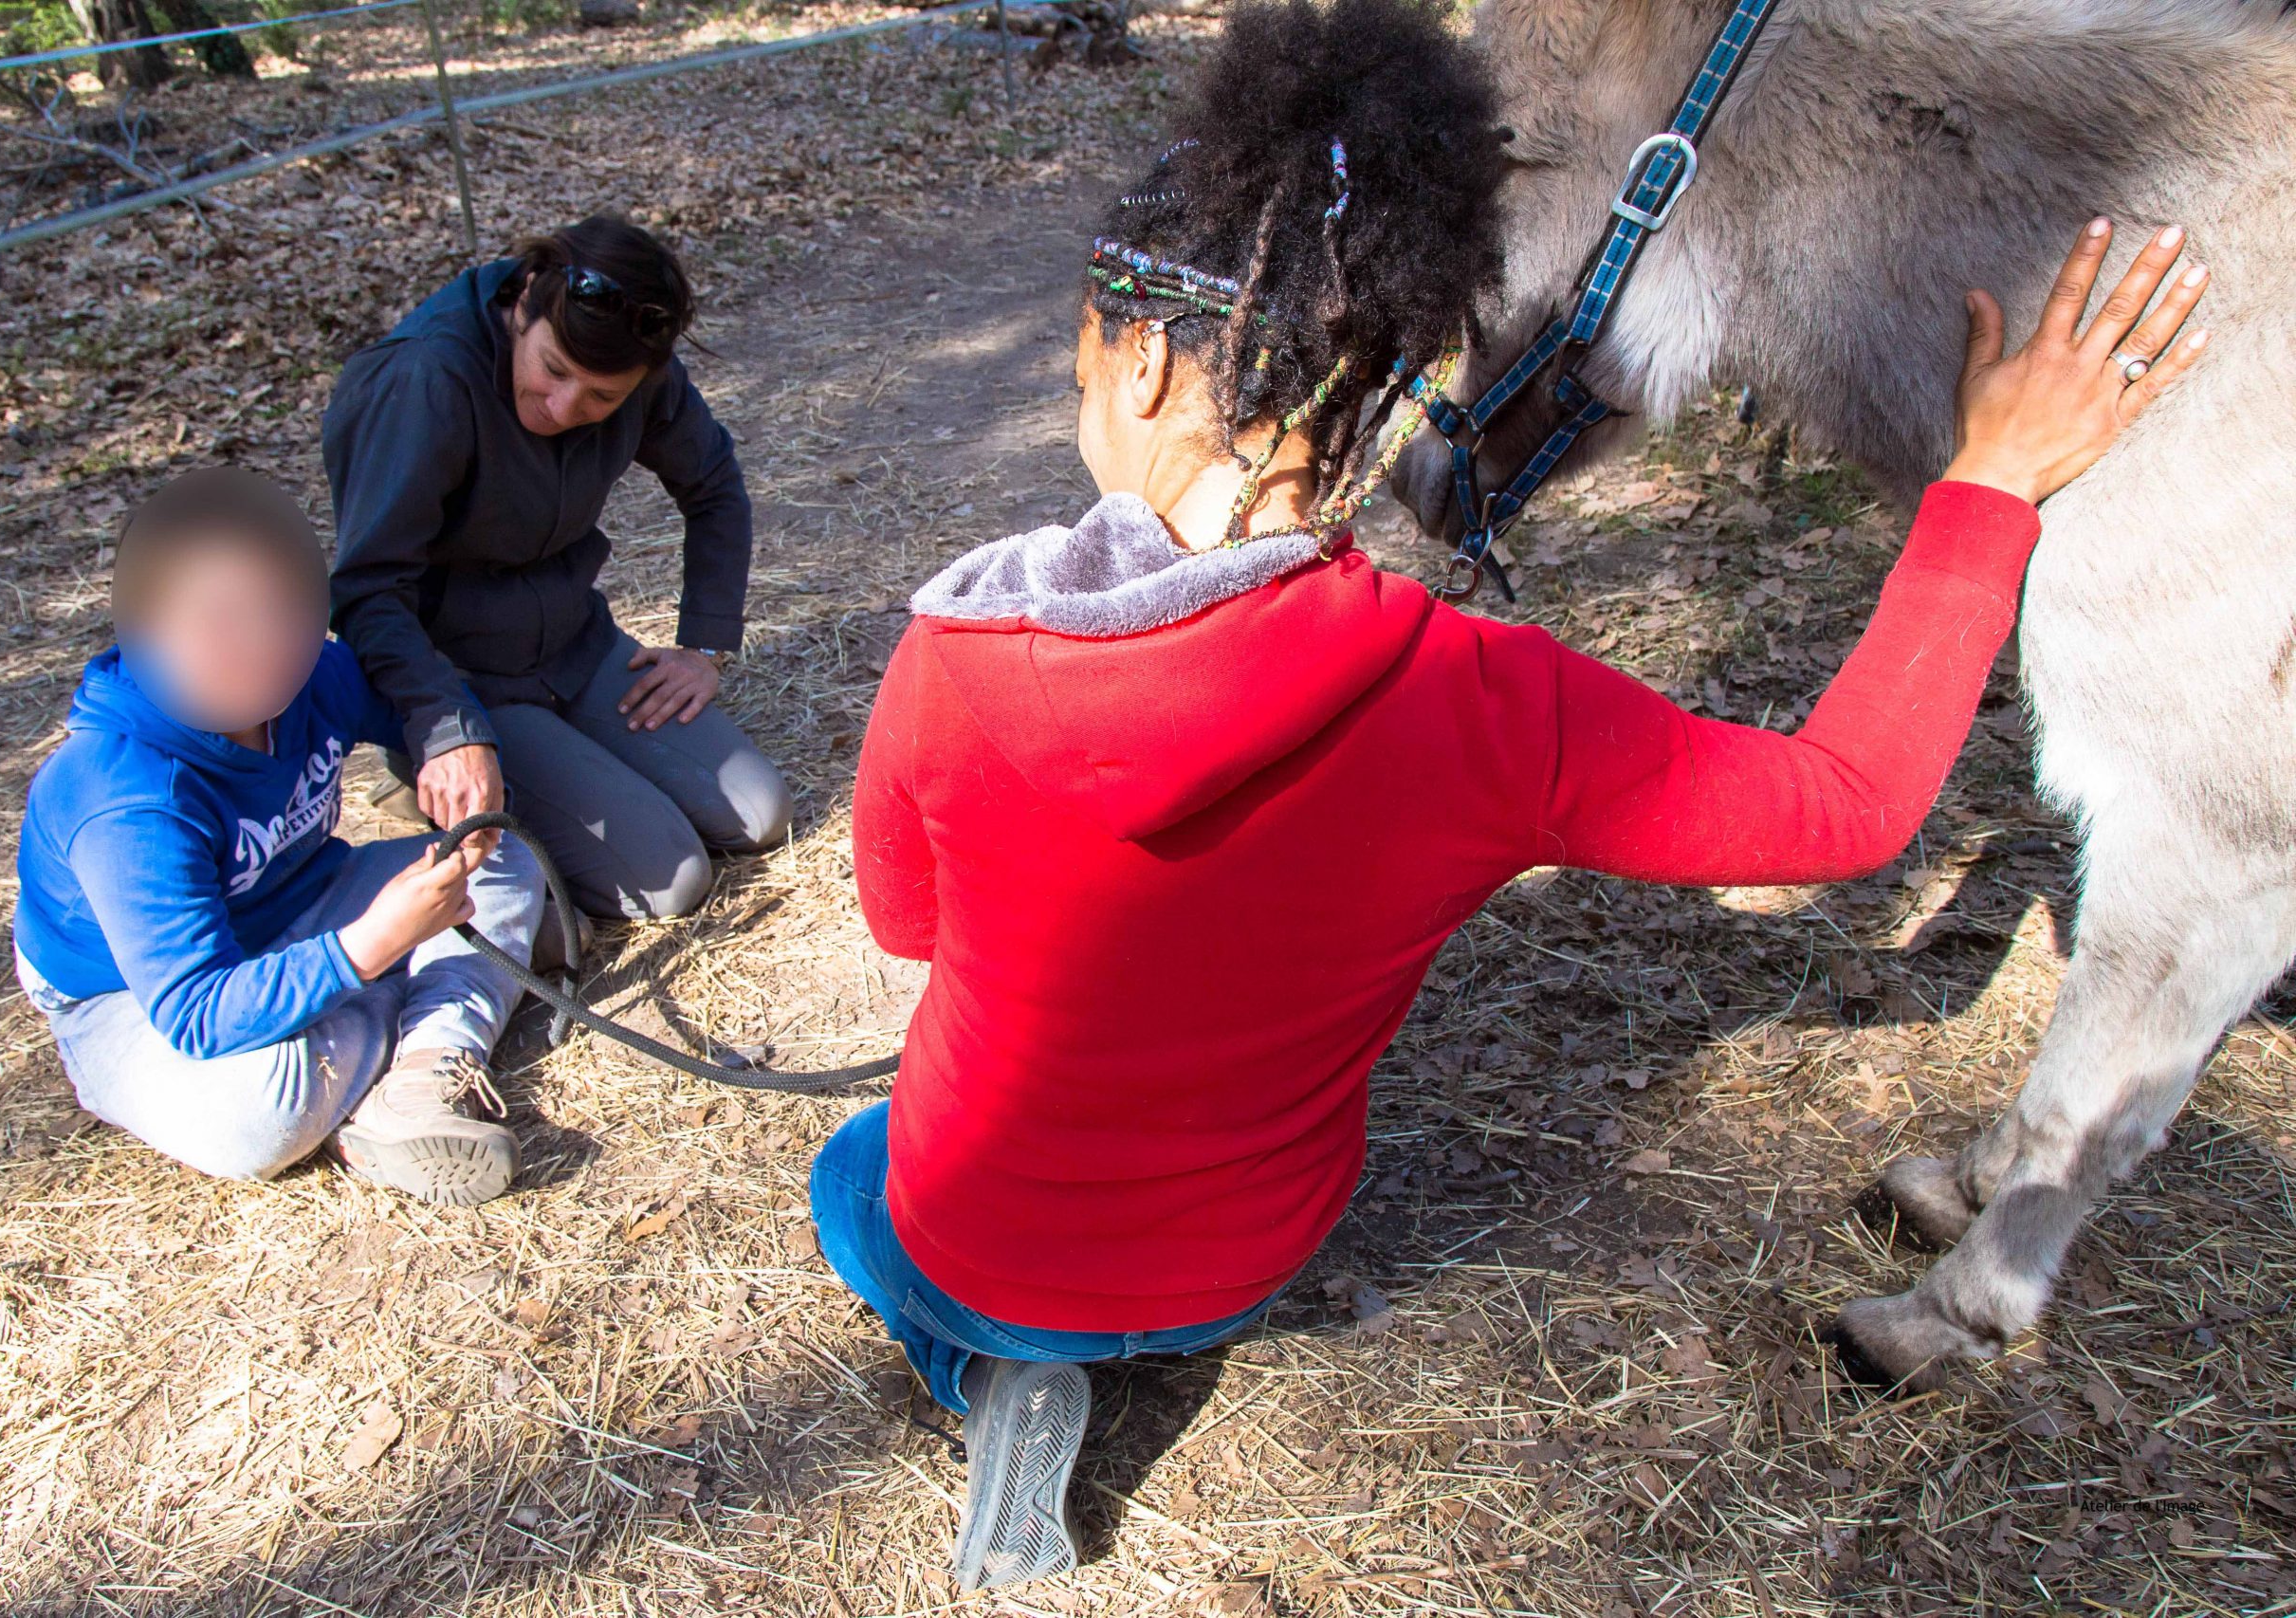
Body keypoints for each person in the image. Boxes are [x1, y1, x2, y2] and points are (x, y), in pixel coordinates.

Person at [820, 0, 2212, 1590]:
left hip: (985, 1248)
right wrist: (1986, 487)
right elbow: (1850, 802)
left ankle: (983, 1368)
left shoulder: (953, 657)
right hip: (1252, 1257)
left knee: (855, 1173)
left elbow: (906, 925)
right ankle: (1092, 1328)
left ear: (1134, 360)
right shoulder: (1485, 698)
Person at [13, 468, 546, 1206]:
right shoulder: (123, 796)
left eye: (286, 610)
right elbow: (197, 1011)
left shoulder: (309, 676)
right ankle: (434, 999)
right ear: (144, 634)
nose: (264, 643)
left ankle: (424, 1074)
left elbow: (419, 695)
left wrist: (456, 741)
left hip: (299, 900)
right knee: (261, 1113)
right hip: (128, 996)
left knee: (498, 859)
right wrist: (376, 944)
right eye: (221, 624)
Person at [322, 213, 790, 923]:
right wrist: (444, 727)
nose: (566, 408)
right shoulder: (423, 381)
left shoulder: (638, 365)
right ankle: (419, 771)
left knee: (761, 813)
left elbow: (714, 484)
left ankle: (557, 763)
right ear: (525, 301)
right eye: (554, 371)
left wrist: (704, 644)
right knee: (672, 879)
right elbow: (366, 589)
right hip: (464, 679)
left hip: (575, 644)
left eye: (603, 398)